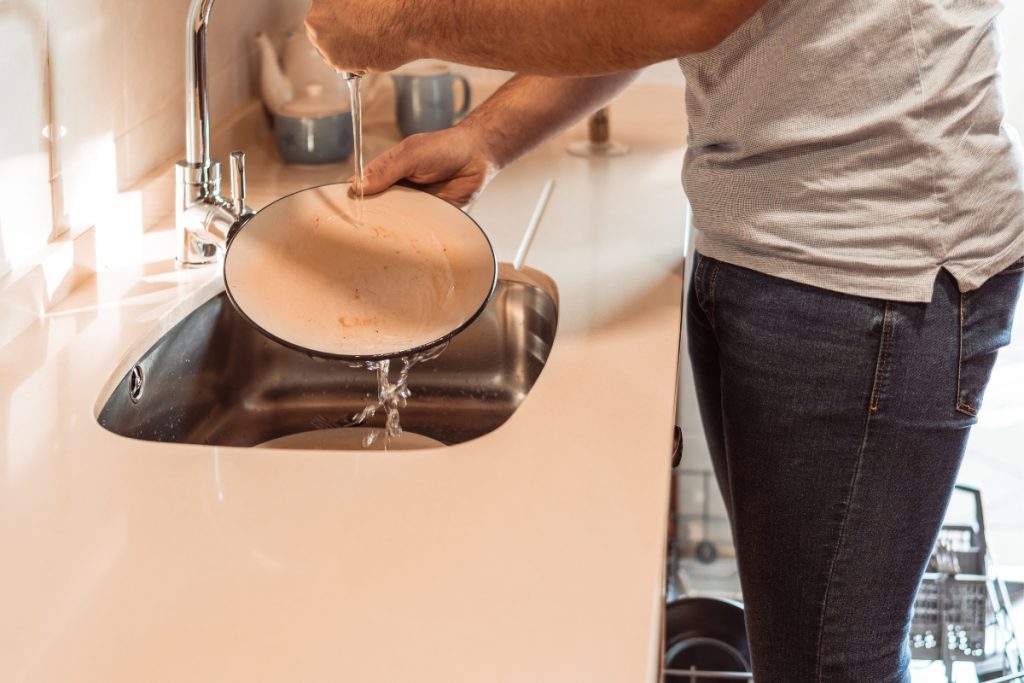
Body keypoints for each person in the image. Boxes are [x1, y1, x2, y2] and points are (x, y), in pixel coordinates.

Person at [305, 1, 1024, 681]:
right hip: (773, 250)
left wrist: (402, 22)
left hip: (868, 275)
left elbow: (680, 10)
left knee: (829, 663)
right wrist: (488, 136)